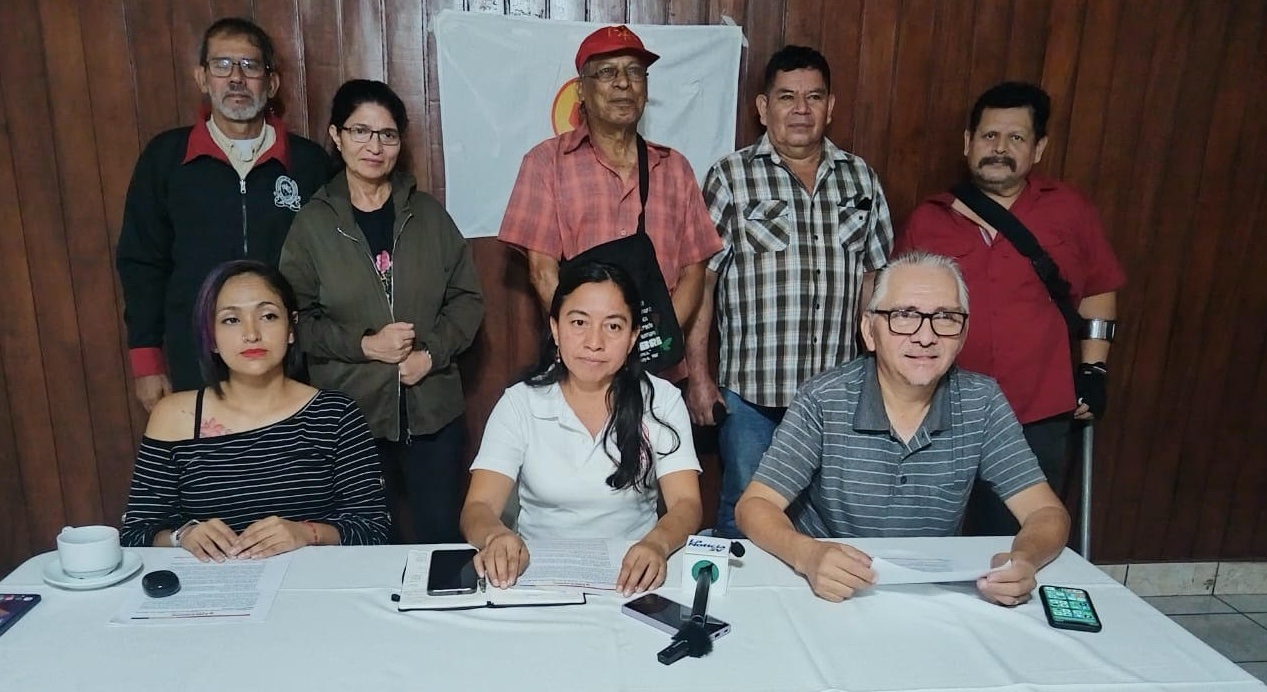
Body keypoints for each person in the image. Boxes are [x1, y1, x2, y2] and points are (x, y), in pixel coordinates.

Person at [736, 251, 1070, 606]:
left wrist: (1023, 560)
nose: (926, 337)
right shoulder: (825, 398)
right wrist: (808, 554)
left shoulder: (981, 401)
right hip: (835, 591)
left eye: (945, 317)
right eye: (905, 316)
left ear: (963, 333)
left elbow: (1046, 513)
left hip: (933, 591)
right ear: (870, 331)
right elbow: (754, 505)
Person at [895, 82, 1125, 535]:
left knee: (1018, 539)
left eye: (1015, 138)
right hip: (940, 411)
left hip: (1036, 411)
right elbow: (895, 310)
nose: (1000, 148)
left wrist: (1094, 371)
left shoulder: (1070, 211)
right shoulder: (929, 218)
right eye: (989, 136)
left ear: (1038, 148)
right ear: (968, 142)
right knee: (929, 535)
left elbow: (1098, 289)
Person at [685, 45, 894, 538]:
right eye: (786, 97)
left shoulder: (861, 178)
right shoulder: (730, 177)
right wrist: (698, 375)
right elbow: (703, 281)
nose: (801, 109)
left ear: (830, 106)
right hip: (752, 397)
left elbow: (877, 282)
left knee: (832, 518)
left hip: (837, 397)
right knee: (745, 511)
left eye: (813, 97)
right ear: (763, 107)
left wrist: (882, 379)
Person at [280, 80, 484, 545]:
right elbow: (296, 321)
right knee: (364, 541)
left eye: (387, 134)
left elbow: (467, 299)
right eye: (360, 131)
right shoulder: (312, 225)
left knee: (440, 538)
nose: (374, 146)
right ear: (336, 136)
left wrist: (430, 355)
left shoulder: (428, 216)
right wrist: (364, 346)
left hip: (433, 411)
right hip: (350, 416)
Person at [116, 17, 330, 410]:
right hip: (195, 356)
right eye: (222, 65)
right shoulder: (166, 159)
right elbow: (142, 262)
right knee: (208, 449)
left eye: (250, 66)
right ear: (202, 77)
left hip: (292, 359)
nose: (236, 78)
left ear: (271, 83)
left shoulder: (309, 164)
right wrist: (147, 360)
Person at [120, 260, 390, 560]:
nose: (251, 334)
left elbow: (374, 529)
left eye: (268, 316)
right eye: (231, 320)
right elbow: (134, 534)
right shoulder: (174, 416)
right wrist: (181, 536)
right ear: (211, 337)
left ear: (291, 327)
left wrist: (307, 533)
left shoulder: (335, 414)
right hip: (213, 582)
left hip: (311, 581)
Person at [461, 261, 702, 596]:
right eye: (578, 323)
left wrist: (657, 544)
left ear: (633, 337)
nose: (594, 342)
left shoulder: (661, 401)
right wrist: (495, 536)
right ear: (555, 328)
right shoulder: (520, 403)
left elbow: (686, 503)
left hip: (633, 576)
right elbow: (478, 507)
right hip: (535, 574)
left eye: (613, 326)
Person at [498, 24, 721, 379]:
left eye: (635, 72)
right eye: (606, 72)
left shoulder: (674, 168)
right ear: (580, 90)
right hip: (581, 371)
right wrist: (593, 345)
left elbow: (694, 271)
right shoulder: (546, 163)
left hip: (658, 371)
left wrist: (647, 343)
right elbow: (542, 273)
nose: (623, 83)